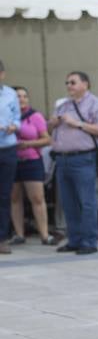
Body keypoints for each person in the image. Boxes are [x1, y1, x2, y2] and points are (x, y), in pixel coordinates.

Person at [48, 71, 98, 255]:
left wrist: (77, 124)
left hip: (83, 159)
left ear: (85, 84)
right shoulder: (63, 105)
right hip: (62, 159)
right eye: (67, 82)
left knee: (87, 202)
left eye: (73, 82)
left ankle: (89, 241)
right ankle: (74, 240)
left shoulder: (96, 104)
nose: (69, 86)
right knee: (68, 203)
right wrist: (52, 123)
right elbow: (49, 128)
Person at [9, 86, 55, 245]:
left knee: (37, 198)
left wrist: (28, 144)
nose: (22, 99)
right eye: (18, 96)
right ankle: (19, 234)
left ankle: (44, 234)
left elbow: (47, 139)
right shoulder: (6, 115)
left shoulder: (35, 116)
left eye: (24, 96)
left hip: (32, 161)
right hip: (11, 162)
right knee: (14, 199)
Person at [0, 60, 21, 255]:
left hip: (7, 147)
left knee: (5, 194)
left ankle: (2, 238)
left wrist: (14, 126)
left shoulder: (10, 94)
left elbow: (17, 118)